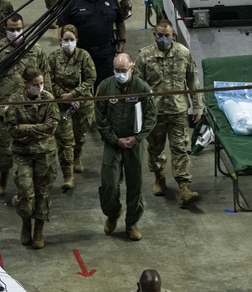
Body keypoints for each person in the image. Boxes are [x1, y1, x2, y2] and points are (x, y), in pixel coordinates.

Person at [135, 19, 203, 207]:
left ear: (173, 36)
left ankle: (184, 188)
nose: (163, 39)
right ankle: (160, 177)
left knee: (180, 148)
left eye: (167, 36)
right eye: (160, 35)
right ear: (154, 35)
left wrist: (197, 106)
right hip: (154, 112)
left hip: (178, 110)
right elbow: (137, 85)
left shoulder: (183, 53)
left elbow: (192, 80)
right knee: (155, 149)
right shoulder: (144, 56)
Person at [0, 13, 51, 197]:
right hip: (2, 110)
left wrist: (48, 105)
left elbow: (46, 79)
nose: (15, 33)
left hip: (31, 110)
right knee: (1, 148)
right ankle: (3, 175)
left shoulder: (35, 50)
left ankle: (29, 183)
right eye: (11, 30)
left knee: (32, 149)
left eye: (19, 29)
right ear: (5, 30)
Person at [95, 53, 156, 241]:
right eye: (116, 70)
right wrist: (114, 139)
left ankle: (132, 223)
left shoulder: (142, 88)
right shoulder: (105, 87)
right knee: (109, 183)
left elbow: (151, 116)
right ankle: (112, 214)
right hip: (113, 144)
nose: (120, 74)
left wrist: (138, 138)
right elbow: (100, 117)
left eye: (123, 71)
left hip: (134, 144)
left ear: (132, 68)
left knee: (135, 184)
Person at [6, 66, 59, 249]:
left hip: (45, 154)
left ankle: (38, 230)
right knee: (26, 192)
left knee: (43, 193)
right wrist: (39, 128)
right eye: (36, 84)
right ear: (26, 84)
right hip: (23, 154)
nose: (40, 87)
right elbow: (13, 129)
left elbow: (52, 127)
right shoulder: (15, 101)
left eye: (42, 83)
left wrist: (26, 128)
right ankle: (26, 224)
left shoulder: (48, 99)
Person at [46, 24, 96, 190]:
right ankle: (68, 175)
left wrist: (75, 95)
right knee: (65, 140)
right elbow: (49, 81)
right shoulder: (53, 58)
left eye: (71, 40)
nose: (68, 42)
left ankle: (77, 157)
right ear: (60, 41)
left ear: (77, 40)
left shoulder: (84, 56)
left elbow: (90, 79)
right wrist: (64, 96)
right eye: (65, 39)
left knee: (80, 136)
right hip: (61, 105)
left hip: (82, 104)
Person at [58, 0, 124, 87]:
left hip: (106, 52)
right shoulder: (73, 1)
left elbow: (120, 22)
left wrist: (122, 41)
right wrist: (65, 48)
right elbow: (62, 26)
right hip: (81, 54)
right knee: (83, 88)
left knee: (106, 86)